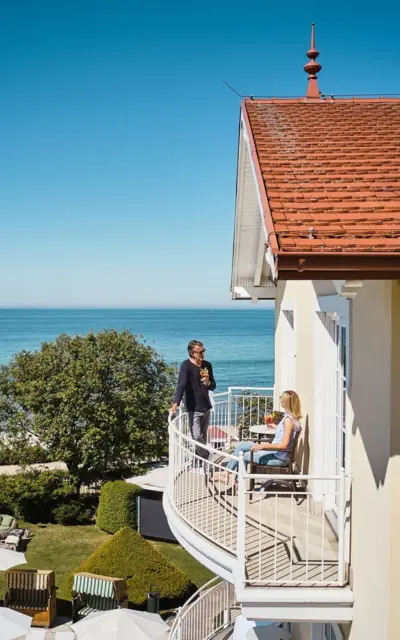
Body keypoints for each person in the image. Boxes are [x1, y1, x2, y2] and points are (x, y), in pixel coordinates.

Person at [215, 390, 302, 480]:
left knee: (242, 456)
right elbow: (285, 433)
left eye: (282, 398)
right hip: (277, 453)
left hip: (278, 457)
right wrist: (275, 427)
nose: (280, 400)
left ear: (286, 403)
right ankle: (227, 474)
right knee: (241, 446)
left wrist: (262, 445)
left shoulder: (288, 420)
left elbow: (284, 445)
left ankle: (235, 482)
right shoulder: (292, 418)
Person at [171, 340, 216, 474]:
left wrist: (208, 382)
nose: (203, 354)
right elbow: (181, 385)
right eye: (200, 352)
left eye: (204, 351)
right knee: (196, 436)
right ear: (192, 352)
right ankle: (206, 455)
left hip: (206, 406)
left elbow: (213, 385)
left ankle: (201, 464)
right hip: (193, 407)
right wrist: (175, 403)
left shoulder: (207, 365)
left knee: (203, 436)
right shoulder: (186, 366)